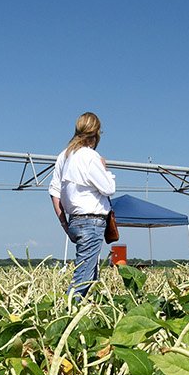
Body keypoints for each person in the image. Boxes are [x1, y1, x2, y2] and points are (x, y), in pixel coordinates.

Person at [48, 112, 117, 297]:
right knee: (83, 278)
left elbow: (54, 193)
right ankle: (68, 314)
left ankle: (84, 316)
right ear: (96, 133)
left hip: (75, 222)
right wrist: (104, 168)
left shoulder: (64, 155)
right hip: (92, 222)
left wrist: (65, 225)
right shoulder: (90, 156)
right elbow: (109, 188)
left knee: (90, 275)